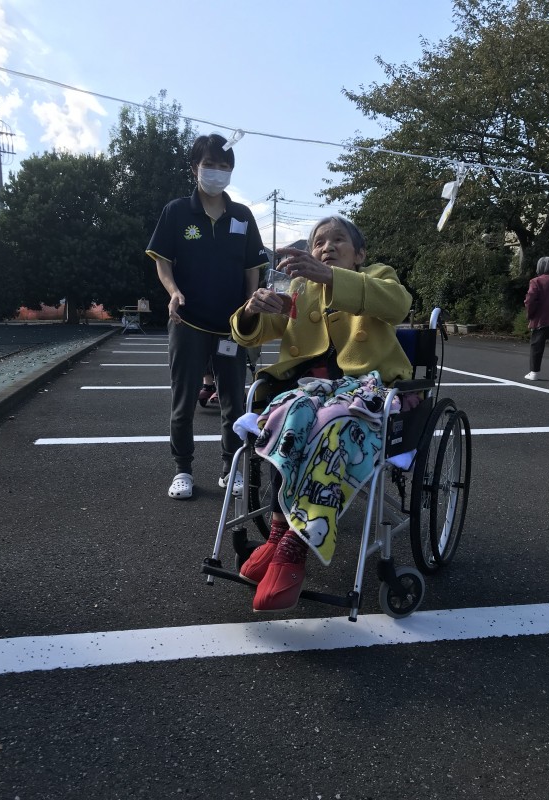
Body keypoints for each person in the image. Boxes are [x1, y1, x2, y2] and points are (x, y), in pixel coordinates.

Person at [229, 215, 413, 612]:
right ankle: (278, 533)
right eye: (318, 242)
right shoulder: (300, 288)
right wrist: (253, 307)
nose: (326, 247)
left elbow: (398, 305)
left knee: (331, 423)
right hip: (308, 389)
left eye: (338, 240)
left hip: (365, 391)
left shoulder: (377, 276)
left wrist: (331, 278)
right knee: (287, 417)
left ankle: (295, 545)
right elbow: (255, 331)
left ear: (359, 254)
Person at [146, 133, 268, 500]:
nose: (217, 172)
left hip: (231, 327)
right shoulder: (176, 212)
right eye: (209, 165)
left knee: (234, 402)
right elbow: (163, 261)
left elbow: (252, 268)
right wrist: (173, 292)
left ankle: (230, 469)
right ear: (194, 168)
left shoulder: (242, 216)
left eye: (224, 166)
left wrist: (250, 308)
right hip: (188, 322)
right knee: (183, 401)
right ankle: (182, 469)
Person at [524, 256, 549, 380]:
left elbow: (530, 300)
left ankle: (534, 373)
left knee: (536, 346)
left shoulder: (536, 281)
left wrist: (530, 315)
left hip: (541, 320)